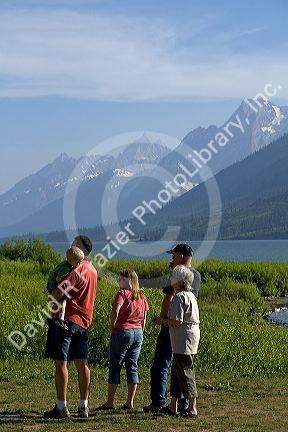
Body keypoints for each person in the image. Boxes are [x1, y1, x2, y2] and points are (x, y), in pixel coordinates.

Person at [44, 235, 97, 419]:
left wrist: (51, 288)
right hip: (84, 321)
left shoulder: (74, 271)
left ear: (79, 247)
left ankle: (61, 406)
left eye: (74, 243)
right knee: (82, 363)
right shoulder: (92, 270)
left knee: (61, 363)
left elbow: (58, 294)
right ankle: (84, 405)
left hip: (66, 321)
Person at [144, 243, 201, 413]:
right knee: (179, 367)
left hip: (174, 326)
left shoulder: (178, 276)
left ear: (182, 256)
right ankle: (179, 403)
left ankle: (159, 401)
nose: (172, 259)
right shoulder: (196, 276)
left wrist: (162, 320)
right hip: (189, 330)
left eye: (174, 255)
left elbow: (168, 299)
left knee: (161, 364)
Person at [98, 269, 149, 411]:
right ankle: (129, 402)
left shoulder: (122, 294)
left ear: (128, 281)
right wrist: (141, 331)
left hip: (122, 331)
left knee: (115, 366)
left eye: (121, 279)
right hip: (138, 332)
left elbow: (116, 309)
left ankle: (109, 402)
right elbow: (144, 316)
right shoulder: (142, 296)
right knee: (132, 366)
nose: (119, 281)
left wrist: (112, 326)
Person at [156, 265, 200, 418]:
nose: (171, 279)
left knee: (186, 371)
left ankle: (192, 408)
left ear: (179, 281)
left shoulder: (180, 297)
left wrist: (162, 320)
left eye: (173, 276)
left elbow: (177, 320)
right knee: (176, 371)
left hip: (184, 339)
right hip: (187, 337)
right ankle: (173, 405)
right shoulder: (191, 296)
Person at [46, 246, 85, 331]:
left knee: (56, 301)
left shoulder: (65, 264)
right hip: (52, 284)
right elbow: (58, 279)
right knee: (63, 299)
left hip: (50, 283)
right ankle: (61, 319)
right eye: (77, 263)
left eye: (80, 262)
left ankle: (50, 317)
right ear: (70, 261)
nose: (79, 265)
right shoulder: (66, 268)